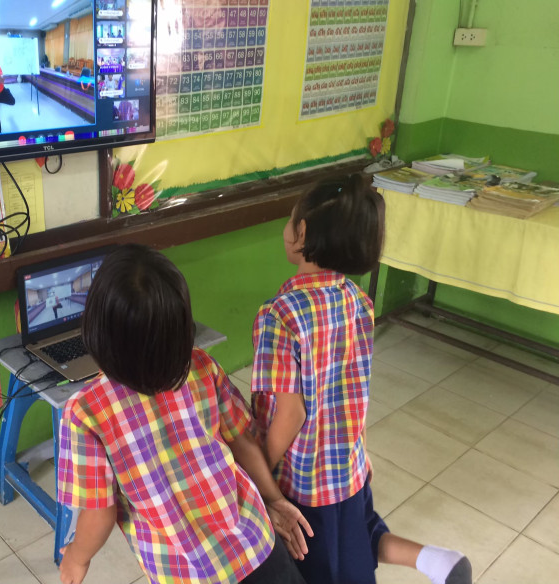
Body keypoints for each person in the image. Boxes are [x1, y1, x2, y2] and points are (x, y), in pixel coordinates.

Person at [251, 175, 472, 584]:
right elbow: (355, 391)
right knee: (354, 547)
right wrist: (362, 450)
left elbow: (291, 413)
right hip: (348, 467)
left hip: (303, 481)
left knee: (318, 570)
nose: (285, 229)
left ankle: (434, 561)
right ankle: (435, 561)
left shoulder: (279, 315)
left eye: (289, 220)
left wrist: (261, 473)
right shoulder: (359, 301)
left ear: (302, 232)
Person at [57, 244, 311, 584]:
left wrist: (76, 558)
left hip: (187, 572)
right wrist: (274, 499)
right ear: (181, 328)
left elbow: (100, 514)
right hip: (255, 547)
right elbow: (243, 442)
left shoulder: (85, 413)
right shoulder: (202, 366)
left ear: (95, 331)